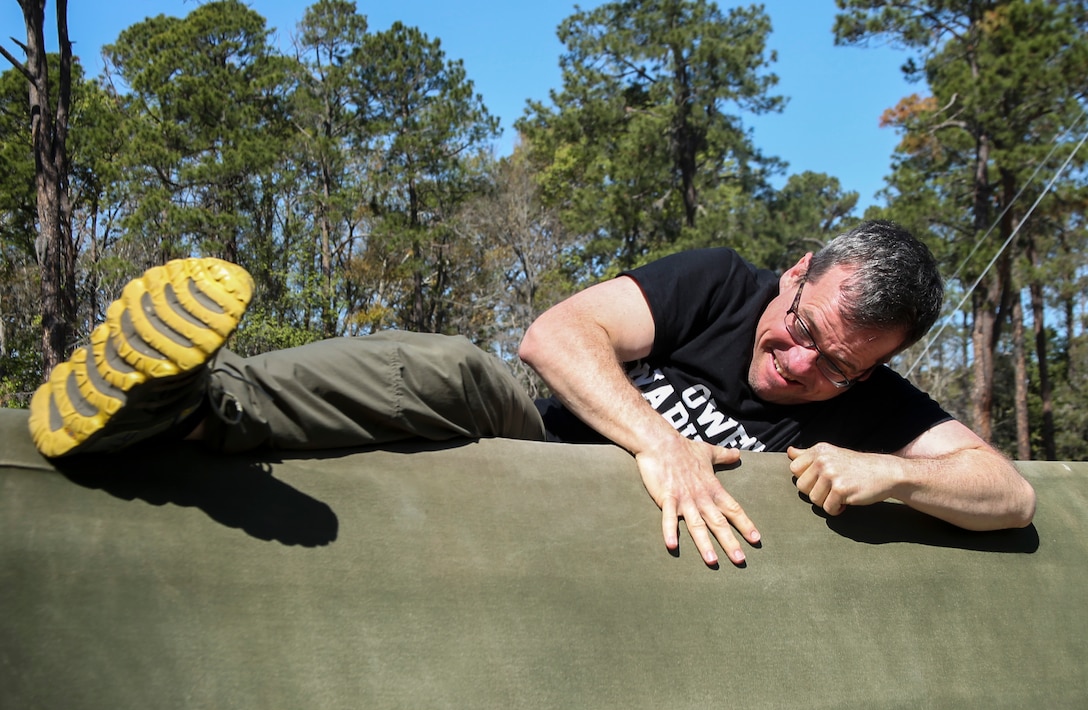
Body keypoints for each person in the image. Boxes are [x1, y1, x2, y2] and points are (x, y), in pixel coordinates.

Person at [28, 220, 1036, 566]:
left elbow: (1009, 495)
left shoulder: (868, 399)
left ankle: (178, 406)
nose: (801, 365)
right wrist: (656, 440)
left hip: (634, 553)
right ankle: (188, 402)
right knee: (454, 370)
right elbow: (556, 333)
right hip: (543, 442)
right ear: (796, 270)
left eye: (839, 366)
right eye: (803, 327)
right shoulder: (721, 281)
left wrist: (889, 474)